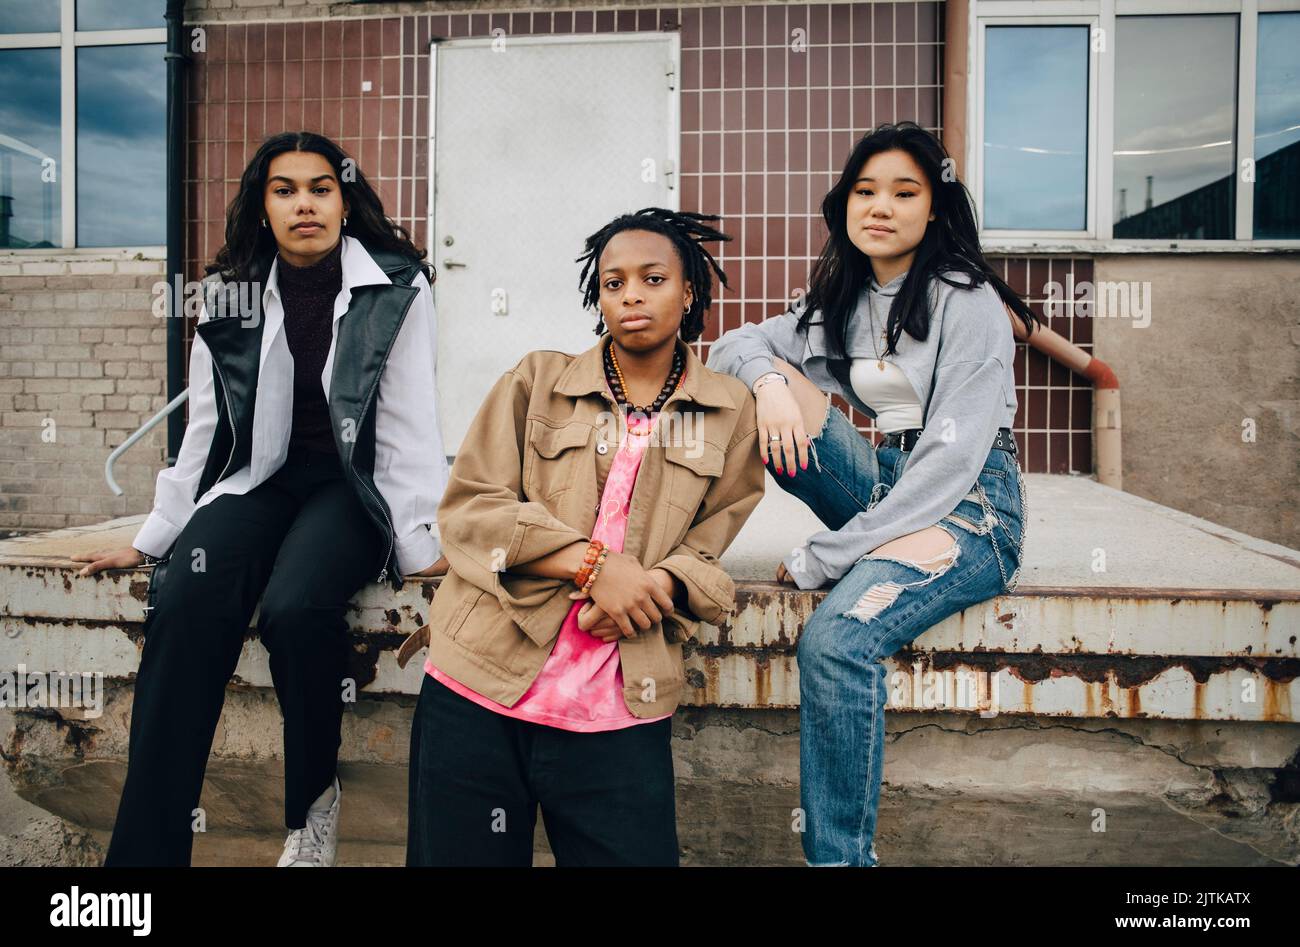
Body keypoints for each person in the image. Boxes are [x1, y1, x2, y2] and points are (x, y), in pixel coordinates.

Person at [74, 131, 449, 866]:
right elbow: (206, 430)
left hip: (351, 487)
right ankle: (143, 860)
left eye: (320, 188)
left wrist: (421, 543)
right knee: (183, 597)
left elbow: (408, 423)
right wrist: (155, 535)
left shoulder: (398, 285)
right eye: (285, 190)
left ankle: (312, 806)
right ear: (263, 206)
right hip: (260, 478)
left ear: (344, 201)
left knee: (295, 607)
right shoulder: (230, 292)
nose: (303, 204)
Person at [706, 121, 1039, 866]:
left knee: (837, 641)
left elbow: (950, 466)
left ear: (935, 208)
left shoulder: (969, 301)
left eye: (903, 191)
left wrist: (834, 552)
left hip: (968, 510)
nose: (880, 206)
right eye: (865, 190)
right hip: (888, 482)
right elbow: (731, 347)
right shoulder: (848, 301)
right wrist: (771, 386)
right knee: (753, 384)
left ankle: (841, 861)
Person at [398, 207, 766, 866]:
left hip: (619, 705)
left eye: (653, 279)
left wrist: (656, 582)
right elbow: (470, 512)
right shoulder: (537, 382)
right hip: (481, 685)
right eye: (613, 281)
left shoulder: (729, 411)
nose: (630, 294)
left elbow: (708, 546)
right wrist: (592, 565)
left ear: (688, 293)